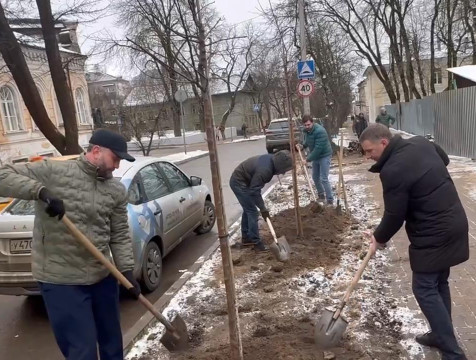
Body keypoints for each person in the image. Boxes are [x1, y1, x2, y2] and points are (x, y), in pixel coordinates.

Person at [0, 129, 141, 360]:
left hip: (102, 276)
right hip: (62, 280)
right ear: (96, 151)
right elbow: (2, 175)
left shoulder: (115, 190)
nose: (117, 166)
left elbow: (119, 234)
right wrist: (41, 192)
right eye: (115, 158)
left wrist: (127, 272)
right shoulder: (53, 171)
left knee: (112, 345)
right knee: (82, 351)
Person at [360, 124, 468, 360]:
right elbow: (445, 160)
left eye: (369, 151)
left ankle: (452, 353)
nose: (368, 156)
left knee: (424, 288)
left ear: (384, 143)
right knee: (439, 282)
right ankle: (440, 335)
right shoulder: (420, 142)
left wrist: (378, 238)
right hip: (454, 220)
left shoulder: (393, 170)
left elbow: (394, 215)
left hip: (433, 232)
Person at [230, 150, 293, 251]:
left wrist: (262, 207)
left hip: (246, 181)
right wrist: (263, 208)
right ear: (279, 166)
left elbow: (254, 188)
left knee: (248, 209)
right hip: (239, 183)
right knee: (252, 212)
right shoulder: (265, 170)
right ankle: (256, 243)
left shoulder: (273, 160)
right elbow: (254, 191)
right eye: (283, 170)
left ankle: (247, 238)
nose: (283, 173)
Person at [297, 115, 333, 205]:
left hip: (324, 155)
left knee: (323, 178)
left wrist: (307, 159)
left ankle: (330, 200)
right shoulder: (307, 131)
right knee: (315, 177)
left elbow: (318, 149)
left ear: (312, 123)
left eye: (308, 125)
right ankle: (321, 195)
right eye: (305, 125)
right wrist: (302, 146)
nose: (307, 127)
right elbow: (308, 142)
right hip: (316, 156)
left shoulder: (320, 131)